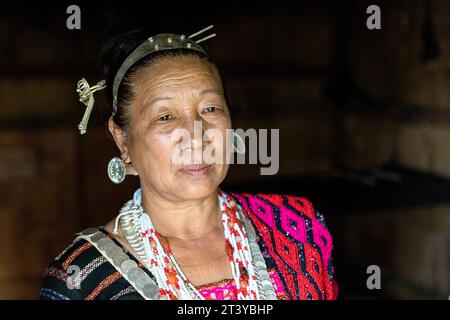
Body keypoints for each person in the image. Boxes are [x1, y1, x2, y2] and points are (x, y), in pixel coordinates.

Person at [39, 23, 338, 300]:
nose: (197, 136)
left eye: (209, 109)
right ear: (122, 140)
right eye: (165, 116)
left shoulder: (298, 226)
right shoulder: (81, 280)